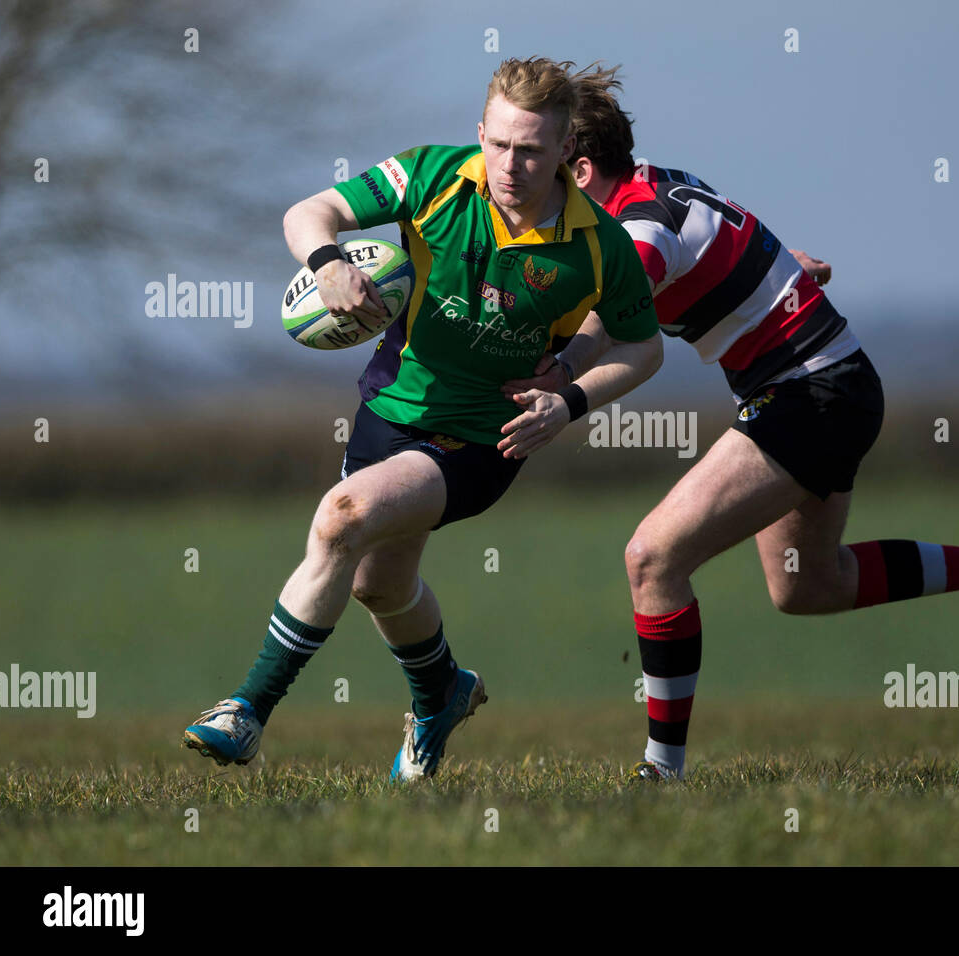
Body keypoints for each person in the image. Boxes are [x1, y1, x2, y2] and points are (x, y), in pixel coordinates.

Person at [504, 65, 959, 780]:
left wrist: (565, 370)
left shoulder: (637, 226)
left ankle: (661, 774)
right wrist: (787, 266)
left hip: (809, 394)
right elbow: (726, 238)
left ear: (583, 164)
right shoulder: (659, 181)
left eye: (547, 165)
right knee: (807, 586)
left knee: (652, 559)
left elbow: (619, 296)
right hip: (830, 385)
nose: (533, 185)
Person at [182, 57, 662, 780]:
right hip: (388, 410)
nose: (510, 165)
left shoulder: (599, 244)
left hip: (484, 439)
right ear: (480, 132)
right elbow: (308, 213)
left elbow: (643, 345)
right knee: (378, 583)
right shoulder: (433, 177)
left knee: (343, 516)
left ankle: (247, 710)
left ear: (565, 151)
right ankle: (441, 693)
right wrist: (328, 263)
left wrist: (568, 399)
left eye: (530, 150)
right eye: (498, 144)